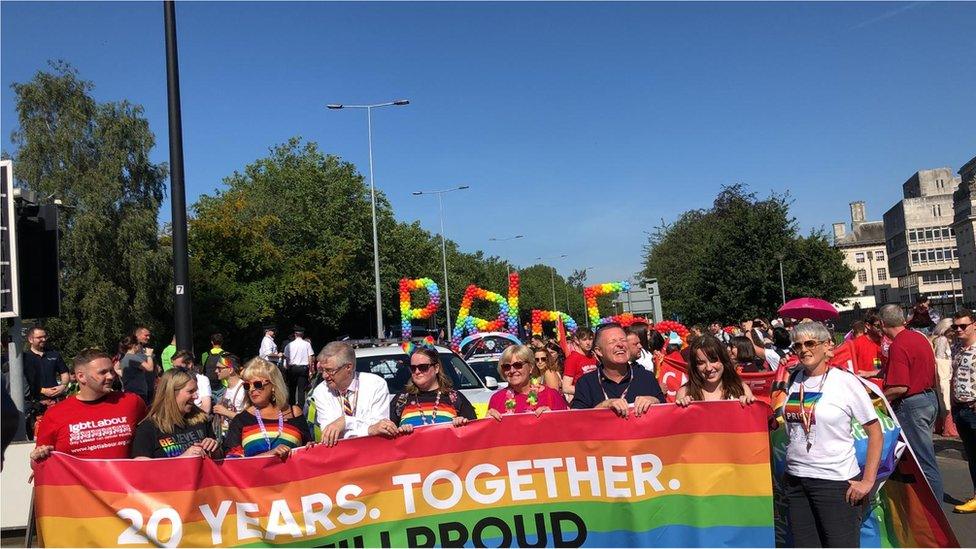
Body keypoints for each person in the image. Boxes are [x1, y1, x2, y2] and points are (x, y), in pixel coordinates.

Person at [781, 321, 883, 547]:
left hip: (835, 482)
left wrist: (867, 481)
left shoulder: (845, 382)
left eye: (810, 343)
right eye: (797, 345)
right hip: (797, 480)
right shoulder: (793, 379)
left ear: (828, 346)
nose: (803, 350)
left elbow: (875, 432)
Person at [31, 348, 147, 463]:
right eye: (102, 372)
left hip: (125, 480)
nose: (111, 376)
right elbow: (39, 461)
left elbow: (153, 439)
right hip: (77, 482)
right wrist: (37, 457)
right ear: (81, 377)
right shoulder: (55, 414)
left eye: (111, 371)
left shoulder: (132, 402)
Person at [879, 303, 943, 503]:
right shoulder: (919, 337)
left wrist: (880, 398)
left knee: (922, 460)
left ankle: (934, 511)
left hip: (912, 404)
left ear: (882, 324)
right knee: (923, 456)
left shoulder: (898, 345)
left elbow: (900, 387)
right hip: (928, 398)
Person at [570, 324, 665, 416]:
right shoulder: (585, 383)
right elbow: (575, 421)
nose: (620, 344)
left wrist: (654, 401)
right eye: (612, 341)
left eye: (623, 340)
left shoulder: (646, 377)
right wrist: (603, 406)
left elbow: (666, 414)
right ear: (599, 351)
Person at [223, 358, 309, 459]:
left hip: (290, 474)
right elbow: (232, 460)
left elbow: (307, 450)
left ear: (273, 385)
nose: (251, 389)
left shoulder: (294, 412)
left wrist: (311, 446)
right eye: (247, 385)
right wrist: (268, 455)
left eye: (257, 384)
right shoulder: (241, 420)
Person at [309, 341, 393, 446]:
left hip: (373, 452)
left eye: (330, 370)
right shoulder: (321, 391)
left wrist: (345, 422)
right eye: (323, 370)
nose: (325, 376)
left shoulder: (376, 385)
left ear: (348, 367)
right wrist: (367, 429)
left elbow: (380, 428)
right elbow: (329, 434)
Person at [131, 369, 219, 459]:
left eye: (196, 391)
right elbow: (141, 468)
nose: (196, 396)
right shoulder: (148, 428)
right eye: (190, 391)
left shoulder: (201, 419)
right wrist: (181, 459)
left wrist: (214, 448)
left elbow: (219, 458)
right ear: (171, 394)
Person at [390, 347, 477, 431]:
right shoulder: (401, 400)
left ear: (436, 368)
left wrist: (463, 424)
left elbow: (474, 433)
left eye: (423, 367)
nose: (417, 372)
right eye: (413, 368)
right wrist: (400, 431)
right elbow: (388, 435)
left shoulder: (455, 398)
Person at [487, 345, 568, 419]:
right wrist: (487, 422)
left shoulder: (550, 396)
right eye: (506, 366)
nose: (512, 370)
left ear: (531, 367)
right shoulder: (497, 399)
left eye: (518, 365)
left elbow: (567, 428)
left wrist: (553, 417)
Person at [675, 335, 754, 406]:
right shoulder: (684, 393)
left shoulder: (741, 389)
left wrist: (750, 406)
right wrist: (682, 410)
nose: (709, 368)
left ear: (724, 360)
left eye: (713, 360)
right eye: (701, 363)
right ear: (694, 366)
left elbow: (754, 420)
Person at [949, 309, 976, 513]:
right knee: (972, 455)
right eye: (955, 326)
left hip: (973, 407)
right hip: (960, 408)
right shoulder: (957, 346)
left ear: (973, 324)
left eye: (962, 326)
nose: (958, 330)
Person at [22, 325, 69, 437]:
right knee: (39, 435)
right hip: (36, 404)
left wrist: (63, 386)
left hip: (57, 400)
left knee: (61, 432)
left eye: (45, 336)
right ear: (30, 339)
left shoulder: (54, 354)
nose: (43, 339)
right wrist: (42, 390)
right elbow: (24, 381)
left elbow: (64, 373)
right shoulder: (24, 358)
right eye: (39, 337)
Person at [212, 354, 245, 440]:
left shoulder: (244, 389)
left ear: (230, 370)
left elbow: (248, 419)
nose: (216, 371)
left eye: (219, 368)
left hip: (239, 437)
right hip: (226, 437)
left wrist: (225, 412)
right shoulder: (227, 389)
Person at [931, 317, 954, 435]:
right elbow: (939, 358)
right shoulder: (942, 340)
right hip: (943, 374)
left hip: (943, 374)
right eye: (952, 328)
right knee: (946, 400)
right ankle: (948, 428)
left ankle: (942, 426)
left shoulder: (943, 340)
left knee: (944, 401)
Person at [171, 350, 212, 415]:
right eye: (173, 367)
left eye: (178, 367)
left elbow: (206, 409)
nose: (175, 370)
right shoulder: (172, 379)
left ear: (190, 364)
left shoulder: (202, 380)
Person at [562, 327, 598, 399]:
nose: (588, 343)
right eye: (584, 340)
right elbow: (566, 387)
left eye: (590, 339)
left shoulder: (593, 356)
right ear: (577, 341)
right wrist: (588, 391)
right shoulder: (572, 359)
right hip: (582, 401)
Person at [283, 325, 314, 406]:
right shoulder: (307, 344)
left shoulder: (289, 345)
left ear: (295, 334)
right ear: (302, 334)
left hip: (292, 368)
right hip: (303, 368)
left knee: (292, 389)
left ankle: (291, 407)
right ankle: (300, 409)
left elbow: (286, 358)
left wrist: (287, 367)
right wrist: (310, 370)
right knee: (301, 390)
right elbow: (310, 357)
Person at [120, 334, 155, 405]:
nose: (140, 347)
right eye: (139, 344)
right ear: (134, 346)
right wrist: (149, 355)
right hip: (138, 392)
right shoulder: (133, 357)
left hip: (130, 391)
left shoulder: (125, 358)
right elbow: (150, 368)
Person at [851, 313, 885, 377]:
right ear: (868, 325)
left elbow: (878, 367)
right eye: (878, 326)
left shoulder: (886, 342)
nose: (882, 328)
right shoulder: (856, 344)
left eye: (884, 325)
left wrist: (871, 373)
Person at [201, 333, 227, 402]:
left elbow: (204, 369)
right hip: (222, 387)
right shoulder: (225, 355)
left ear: (211, 342)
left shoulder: (205, 355)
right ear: (222, 342)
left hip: (208, 386)